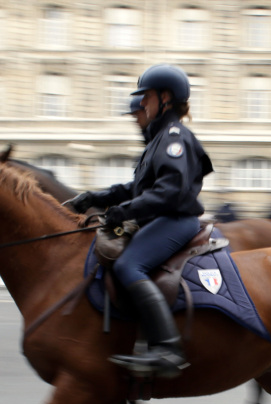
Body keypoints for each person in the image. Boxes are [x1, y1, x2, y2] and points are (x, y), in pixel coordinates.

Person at [68, 64, 213, 378]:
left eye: (145, 99)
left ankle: (168, 349)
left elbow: (170, 190)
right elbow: (136, 189)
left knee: (127, 265)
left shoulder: (174, 137)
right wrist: (97, 196)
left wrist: (124, 212)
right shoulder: (158, 140)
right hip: (161, 218)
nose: (139, 108)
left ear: (165, 98)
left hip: (176, 219)